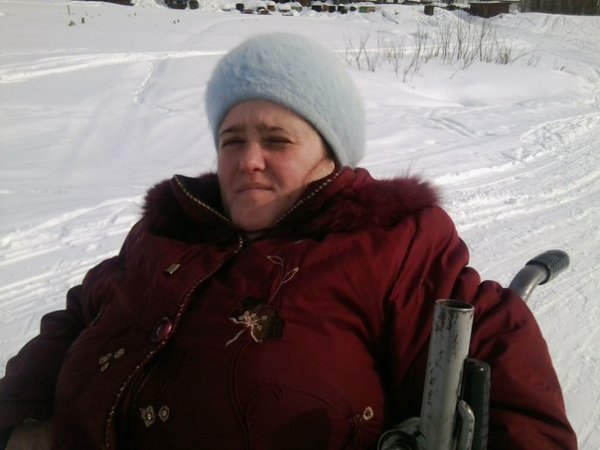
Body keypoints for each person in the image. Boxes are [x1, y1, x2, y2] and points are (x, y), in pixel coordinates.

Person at [0, 33, 576, 450]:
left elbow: (507, 375)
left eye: (276, 140)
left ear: (329, 154)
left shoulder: (389, 247)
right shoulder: (165, 233)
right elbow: (76, 318)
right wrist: (17, 420)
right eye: (232, 140)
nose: (248, 160)